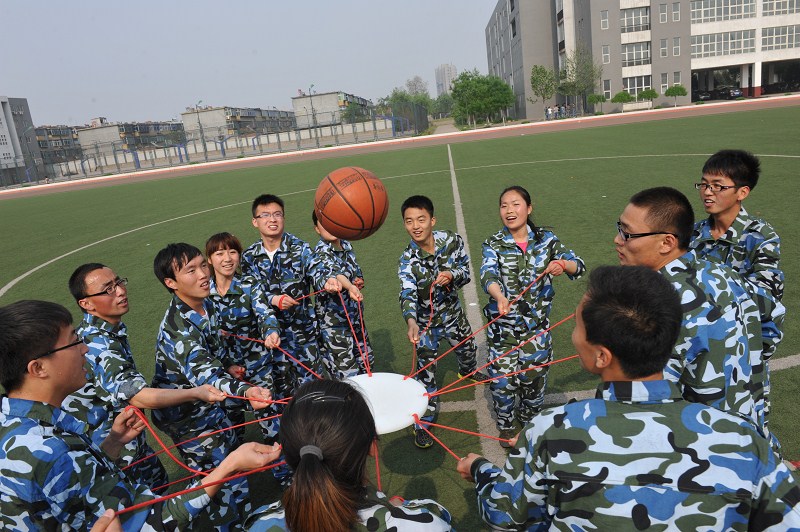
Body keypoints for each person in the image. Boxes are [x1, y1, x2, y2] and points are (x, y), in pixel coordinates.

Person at [457, 266, 800, 530]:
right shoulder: (744, 439)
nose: (573, 336)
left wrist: (481, 469)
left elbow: (504, 516)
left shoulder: (550, 431)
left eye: (577, 327)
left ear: (601, 356)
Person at [0, 300, 281, 531]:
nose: (84, 348)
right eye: (73, 342)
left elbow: (72, 495)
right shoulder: (51, 449)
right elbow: (150, 523)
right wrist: (228, 467)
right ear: (38, 368)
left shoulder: (19, 424)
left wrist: (110, 445)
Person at [615, 187, 770, 441]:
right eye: (620, 227)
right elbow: (772, 319)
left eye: (627, 233)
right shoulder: (721, 272)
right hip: (752, 433)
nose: (618, 239)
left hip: (706, 446)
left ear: (667, 242)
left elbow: (647, 401)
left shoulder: (656, 306)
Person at [61, 263, 226, 492]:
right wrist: (196, 392)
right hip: (112, 452)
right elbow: (137, 395)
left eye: (119, 282)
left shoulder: (109, 329)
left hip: (130, 442)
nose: (120, 291)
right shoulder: (97, 344)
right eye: (108, 289)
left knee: (160, 490)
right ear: (86, 304)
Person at [151, 243, 272, 530]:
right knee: (226, 479)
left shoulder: (207, 304)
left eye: (201, 265)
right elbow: (205, 373)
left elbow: (213, 351)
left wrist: (229, 365)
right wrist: (246, 391)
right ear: (171, 283)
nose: (203, 274)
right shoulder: (178, 328)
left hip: (209, 402)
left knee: (221, 464)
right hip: (187, 415)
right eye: (190, 271)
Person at [246, 379, 453, 531]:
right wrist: (397, 508)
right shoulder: (429, 525)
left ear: (288, 453)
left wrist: (225, 468)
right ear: (373, 446)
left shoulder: (259, 525)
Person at [689, 149, 785, 444]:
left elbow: (766, 300)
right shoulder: (693, 235)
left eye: (718, 186)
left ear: (742, 192)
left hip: (743, 354)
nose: (708, 192)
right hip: (701, 353)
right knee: (702, 434)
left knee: (751, 435)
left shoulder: (760, 236)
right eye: (704, 184)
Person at [480, 185, 584, 444]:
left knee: (533, 383)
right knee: (503, 385)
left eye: (515, 204)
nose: (509, 210)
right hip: (503, 332)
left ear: (529, 208)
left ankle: (529, 426)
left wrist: (562, 264)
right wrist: (499, 296)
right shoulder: (493, 243)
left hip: (535, 332)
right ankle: (505, 425)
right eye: (504, 205)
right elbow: (488, 275)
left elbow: (578, 266)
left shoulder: (547, 240)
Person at [398, 195, 488, 449]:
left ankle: (467, 371)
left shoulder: (451, 240)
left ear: (432, 220)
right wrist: (411, 321)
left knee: (468, 349)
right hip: (425, 325)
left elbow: (466, 272)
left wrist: (452, 274)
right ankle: (423, 424)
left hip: (453, 314)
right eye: (409, 221)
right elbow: (406, 294)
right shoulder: (407, 261)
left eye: (421, 219)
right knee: (425, 377)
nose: (415, 226)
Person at [241, 194, 337, 399]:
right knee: (282, 395)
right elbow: (247, 293)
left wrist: (327, 281)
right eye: (265, 215)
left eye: (277, 214)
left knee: (314, 390)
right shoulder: (249, 257)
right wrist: (273, 300)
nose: (272, 219)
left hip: (303, 335)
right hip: (270, 339)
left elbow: (317, 271)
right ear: (255, 221)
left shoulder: (300, 248)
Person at [205, 233, 281, 443]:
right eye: (219, 253)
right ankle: (238, 469)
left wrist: (271, 331)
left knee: (270, 421)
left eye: (232, 252)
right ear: (210, 259)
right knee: (230, 426)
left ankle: (285, 474)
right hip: (223, 371)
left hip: (257, 366)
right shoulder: (203, 293)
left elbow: (265, 313)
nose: (227, 258)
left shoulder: (249, 284)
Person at [309, 210, 374, 379]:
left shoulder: (345, 244)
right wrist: (350, 286)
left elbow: (353, 271)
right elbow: (334, 273)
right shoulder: (321, 251)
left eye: (332, 223)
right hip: (334, 325)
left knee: (366, 364)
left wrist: (358, 280)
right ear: (317, 229)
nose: (329, 228)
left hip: (355, 318)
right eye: (324, 225)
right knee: (347, 375)